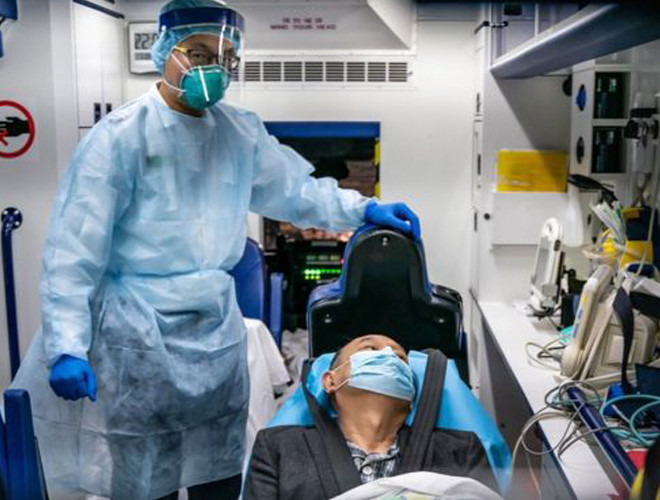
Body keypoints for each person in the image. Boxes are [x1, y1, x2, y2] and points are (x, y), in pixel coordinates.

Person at [10, 1, 421, 499]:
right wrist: (67, 345)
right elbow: (73, 250)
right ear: (165, 51)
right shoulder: (119, 137)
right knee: (145, 478)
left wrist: (363, 209)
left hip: (213, 332)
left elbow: (297, 192)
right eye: (199, 53)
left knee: (220, 468)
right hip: (137, 333)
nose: (213, 68)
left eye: (225, 58)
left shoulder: (239, 132)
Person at [244, 334, 498, 500]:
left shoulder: (461, 449)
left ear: (411, 392)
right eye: (370, 349)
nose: (387, 355)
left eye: (400, 358)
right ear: (330, 381)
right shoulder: (278, 447)